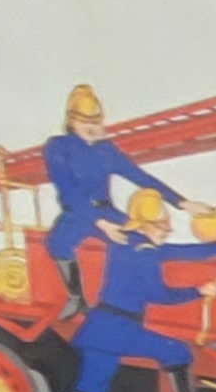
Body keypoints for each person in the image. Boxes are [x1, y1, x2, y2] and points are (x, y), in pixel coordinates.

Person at [45, 187, 216, 392]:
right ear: (146, 224)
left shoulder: (128, 241)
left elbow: (178, 251)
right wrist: (199, 291)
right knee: (94, 386)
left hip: (111, 327)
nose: (167, 231)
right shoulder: (144, 253)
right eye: (162, 226)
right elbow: (160, 295)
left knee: (171, 354)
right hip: (115, 330)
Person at [40, 84, 183, 278]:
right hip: (77, 214)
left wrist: (181, 202)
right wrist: (101, 224)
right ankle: (75, 293)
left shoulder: (105, 149)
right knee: (57, 244)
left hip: (107, 211)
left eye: (95, 122)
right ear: (71, 121)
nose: (91, 128)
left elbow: (139, 177)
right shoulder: (57, 147)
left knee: (137, 241)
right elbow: (69, 192)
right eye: (84, 122)